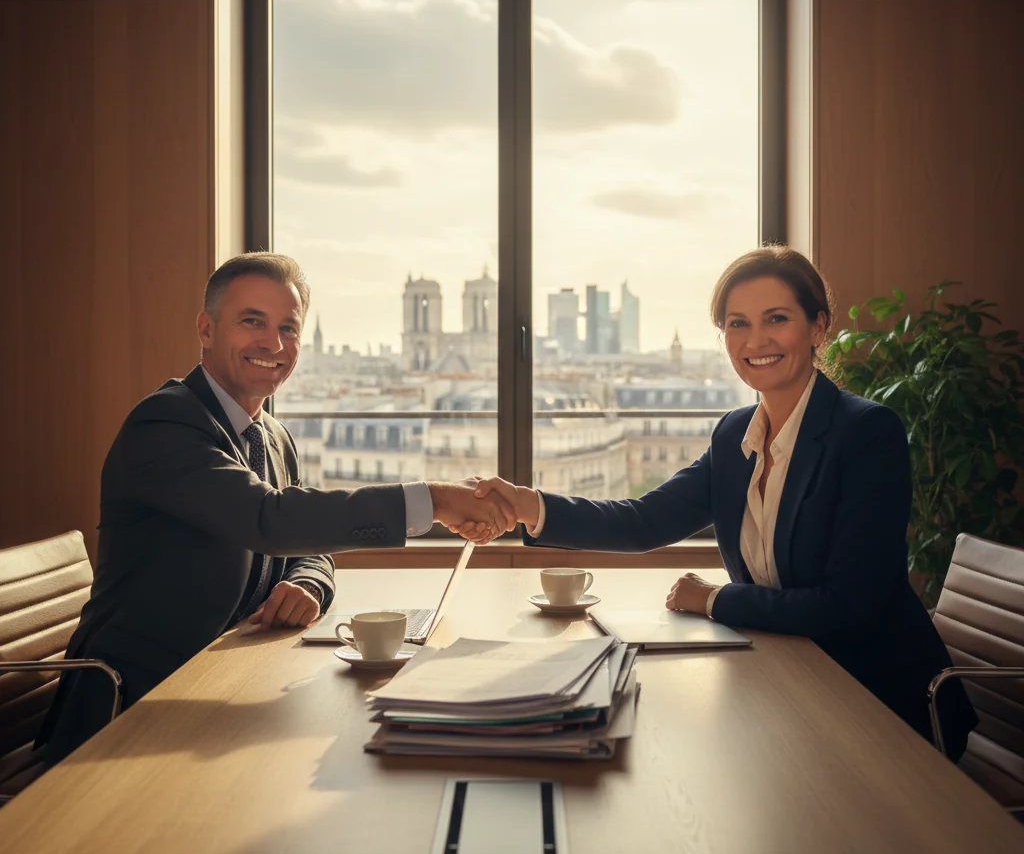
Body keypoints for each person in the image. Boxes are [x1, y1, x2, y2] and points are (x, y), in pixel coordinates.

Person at [468, 247, 978, 759]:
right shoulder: (735, 434)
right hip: (785, 682)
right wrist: (527, 505)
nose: (755, 341)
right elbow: (645, 522)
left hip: (881, 706)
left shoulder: (866, 433)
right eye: (738, 324)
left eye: (776, 319)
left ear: (818, 327)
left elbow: (849, 612)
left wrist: (713, 599)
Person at [41, 252, 515, 763]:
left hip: (223, 689)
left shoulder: (272, 434)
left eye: (288, 328)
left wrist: (308, 584)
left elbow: (308, 547)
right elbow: (268, 519)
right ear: (206, 329)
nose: (274, 344)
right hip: (128, 710)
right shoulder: (164, 424)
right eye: (252, 322)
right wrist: (434, 500)